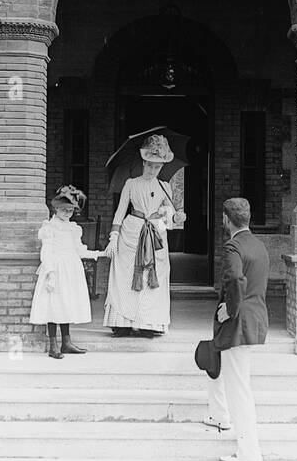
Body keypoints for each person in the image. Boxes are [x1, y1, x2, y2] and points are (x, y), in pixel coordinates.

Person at [204, 197, 269, 461]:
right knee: (221, 369)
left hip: (238, 323)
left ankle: (249, 452)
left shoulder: (233, 246)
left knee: (239, 388)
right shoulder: (259, 245)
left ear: (226, 220)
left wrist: (229, 309)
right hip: (254, 320)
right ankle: (218, 415)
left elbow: (235, 281)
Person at [104, 133, 185, 336]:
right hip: (132, 231)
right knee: (127, 275)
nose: (152, 170)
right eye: (149, 165)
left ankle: (149, 323)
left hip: (155, 233)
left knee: (152, 275)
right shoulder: (131, 183)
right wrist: (114, 236)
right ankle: (123, 321)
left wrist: (176, 218)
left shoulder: (164, 187)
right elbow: (120, 211)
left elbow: (169, 217)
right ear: (143, 162)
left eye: (157, 167)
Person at [29, 184, 109, 359]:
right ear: (56, 209)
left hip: (71, 268)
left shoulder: (73, 228)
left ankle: (67, 342)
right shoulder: (49, 227)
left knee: (65, 304)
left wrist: (99, 254)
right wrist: (50, 272)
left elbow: (79, 249)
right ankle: (53, 344)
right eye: (64, 210)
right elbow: (46, 251)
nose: (67, 213)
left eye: (70, 210)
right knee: (53, 304)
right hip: (56, 268)